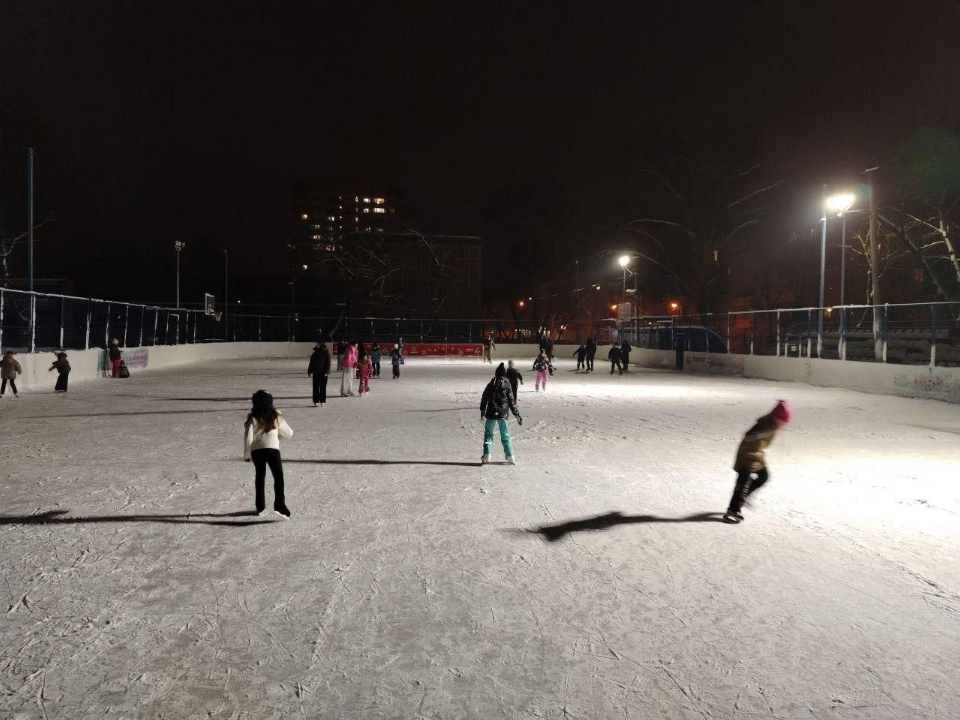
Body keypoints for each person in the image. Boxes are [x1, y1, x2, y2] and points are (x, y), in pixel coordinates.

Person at [724, 400, 792, 524]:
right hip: (746, 456)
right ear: (777, 418)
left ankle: (743, 497)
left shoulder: (773, 426)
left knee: (764, 476)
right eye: (783, 421)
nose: (784, 424)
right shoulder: (765, 425)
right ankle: (733, 510)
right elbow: (749, 435)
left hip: (756, 457)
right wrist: (758, 435)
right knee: (743, 482)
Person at [243, 390, 293, 519]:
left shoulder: (252, 417)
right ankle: (280, 505)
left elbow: (248, 437)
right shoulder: (276, 416)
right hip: (272, 450)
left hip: (256, 451)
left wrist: (247, 455)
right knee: (278, 477)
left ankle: (260, 506)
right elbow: (288, 433)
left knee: (260, 476)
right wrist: (276, 439)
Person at [480, 362, 522, 465]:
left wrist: (482, 411)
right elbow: (512, 401)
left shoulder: (491, 384)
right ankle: (510, 456)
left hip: (490, 414)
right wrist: (517, 414)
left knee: (488, 434)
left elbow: (484, 398)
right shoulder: (507, 384)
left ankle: (487, 455)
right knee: (505, 435)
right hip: (503, 414)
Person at [307, 342, 331, 407]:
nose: (316, 345)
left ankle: (322, 401)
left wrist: (326, 372)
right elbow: (311, 363)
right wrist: (309, 371)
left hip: (323, 373)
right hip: (316, 372)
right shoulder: (315, 353)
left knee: (323, 388)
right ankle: (316, 401)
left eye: (318, 344)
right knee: (316, 387)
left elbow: (328, 363)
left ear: (321, 345)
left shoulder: (326, 352)